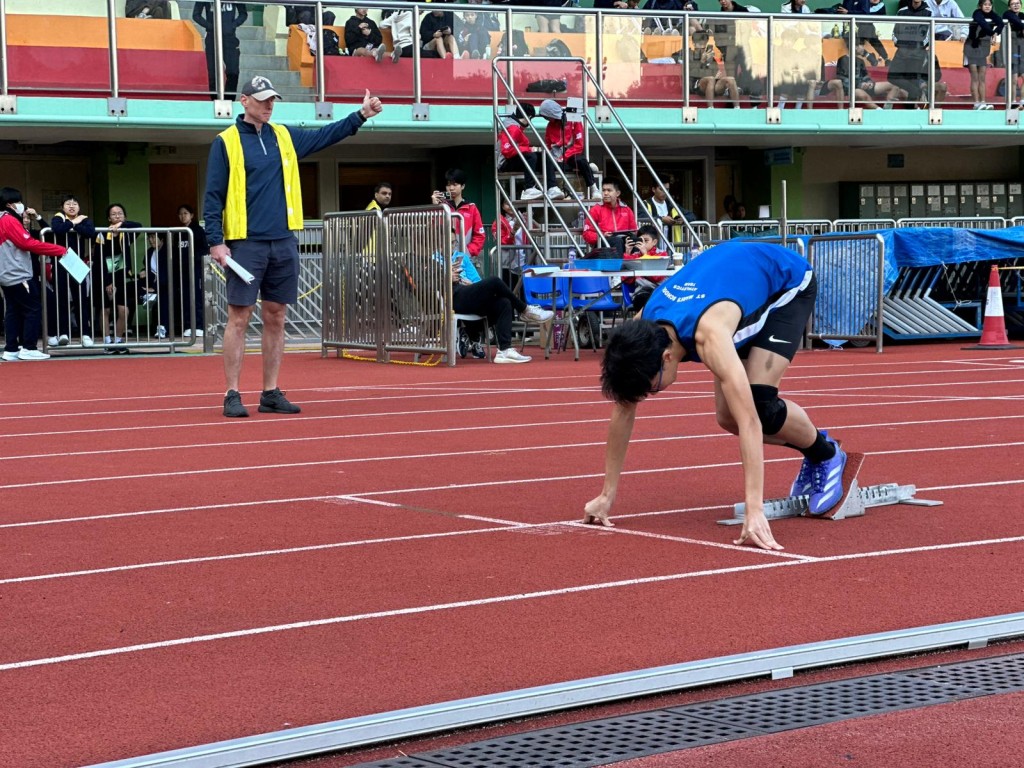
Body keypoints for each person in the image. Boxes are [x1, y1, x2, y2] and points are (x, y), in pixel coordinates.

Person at [582, 241, 849, 551]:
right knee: (726, 417)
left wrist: (755, 509)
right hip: (734, 286)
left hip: (786, 285)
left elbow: (749, 421)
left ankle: (826, 455)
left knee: (758, 405)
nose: (649, 395)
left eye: (651, 388)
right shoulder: (643, 327)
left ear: (667, 358)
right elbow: (624, 410)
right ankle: (818, 448)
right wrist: (606, 495)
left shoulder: (709, 335)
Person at [202, 75, 383, 418]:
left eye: (273, 99)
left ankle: (270, 391)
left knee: (277, 316)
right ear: (244, 101)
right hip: (246, 243)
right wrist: (216, 241)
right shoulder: (225, 142)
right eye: (263, 99)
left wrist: (359, 116)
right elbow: (212, 195)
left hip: (284, 240)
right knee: (239, 318)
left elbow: (323, 136)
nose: (270, 104)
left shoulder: (283, 136)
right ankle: (232, 393)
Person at [0, 187, 69, 361]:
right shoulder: (8, 220)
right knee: (33, 308)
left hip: (6, 273)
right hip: (17, 273)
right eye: (18, 202)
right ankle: (29, 347)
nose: (21, 205)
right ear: (10, 204)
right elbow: (28, 243)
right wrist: (59, 250)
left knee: (13, 310)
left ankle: (11, 348)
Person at [93, 203, 145, 354]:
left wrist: (123, 225)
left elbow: (139, 225)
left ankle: (118, 340)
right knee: (105, 309)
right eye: (114, 214)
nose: (117, 216)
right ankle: (107, 342)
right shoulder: (102, 234)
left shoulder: (127, 232)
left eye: (120, 213)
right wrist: (107, 280)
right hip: (104, 276)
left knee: (124, 310)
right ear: (109, 218)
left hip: (122, 276)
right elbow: (99, 258)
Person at [49, 195, 97, 347]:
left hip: (77, 262)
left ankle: (85, 335)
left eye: (74, 203)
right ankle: (63, 333)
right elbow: (58, 229)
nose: (71, 206)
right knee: (62, 299)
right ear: (62, 207)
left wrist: (74, 224)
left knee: (81, 299)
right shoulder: (58, 218)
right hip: (61, 261)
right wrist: (73, 222)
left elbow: (91, 233)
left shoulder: (84, 219)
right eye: (68, 204)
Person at [497, 104, 565, 201]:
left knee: (544, 156)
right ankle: (529, 188)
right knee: (531, 156)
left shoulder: (515, 127)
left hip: (515, 159)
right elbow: (506, 150)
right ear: (528, 117)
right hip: (505, 163)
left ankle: (552, 187)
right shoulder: (512, 128)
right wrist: (529, 149)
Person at [537, 99, 601, 200]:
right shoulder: (550, 126)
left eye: (547, 116)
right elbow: (548, 144)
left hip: (571, 155)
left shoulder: (574, 121)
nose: (547, 119)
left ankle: (594, 188)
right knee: (544, 162)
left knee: (580, 160)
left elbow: (579, 145)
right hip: (556, 158)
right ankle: (552, 189)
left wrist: (564, 156)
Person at [193, 2, 247, 100]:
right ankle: (214, 101)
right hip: (211, 38)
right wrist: (210, 26)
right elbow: (196, 15)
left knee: (233, 72)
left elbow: (243, 14)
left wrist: (232, 25)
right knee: (213, 74)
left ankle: (229, 101)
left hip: (230, 38)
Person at [176, 204, 208, 339]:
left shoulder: (198, 231)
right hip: (183, 270)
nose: (183, 216)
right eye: (181, 214)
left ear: (192, 215)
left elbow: (204, 249)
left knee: (197, 297)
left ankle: (199, 326)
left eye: (186, 213)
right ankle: (188, 325)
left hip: (196, 269)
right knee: (185, 297)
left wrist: (194, 258)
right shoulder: (179, 232)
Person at [964, 0, 1003, 110]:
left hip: (983, 48)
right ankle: (976, 103)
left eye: (989, 5)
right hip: (972, 46)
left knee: (982, 77)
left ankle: (983, 102)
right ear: (980, 6)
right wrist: (992, 33)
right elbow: (982, 23)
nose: (987, 7)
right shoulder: (977, 13)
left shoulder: (993, 15)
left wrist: (996, 33)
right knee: (975, 77)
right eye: (985, 4)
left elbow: (1000, 23)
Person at [621, 223, 669, 310]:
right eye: (640, 240)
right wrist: (627, 252)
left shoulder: (662, 255)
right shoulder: (634, 256)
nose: (642, 244)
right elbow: (626, 280)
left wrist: (645, 255)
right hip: (641, 293)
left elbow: (657, 278)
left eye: (646, 241)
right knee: (642, 300)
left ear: (654, 242)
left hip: (659, 292)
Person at [583, 180, 638, 254]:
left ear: (617, 193)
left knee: (635, 240)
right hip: (601, 243)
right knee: (617, 241)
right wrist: (602, 235)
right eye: (603, 190)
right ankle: (618, 265)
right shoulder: (595, 210)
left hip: (622, 241)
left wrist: (631, 235)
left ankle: (635, 264)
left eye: (609, 190)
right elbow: (587, 234)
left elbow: (634, 230)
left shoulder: (626, 209)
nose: (605, 193)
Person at [643, 182, 686, 250]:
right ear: (654, 189)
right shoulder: (645, 203)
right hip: (651, 247)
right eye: (661, 189)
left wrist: (683, 219)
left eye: (667, 189)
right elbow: (641, 217)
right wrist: (661, 219)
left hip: (671, 246)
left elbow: (691, 215)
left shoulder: (672, 204)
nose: (665, 192)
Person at [1004, 0, 1024, 107]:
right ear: (1009, 7)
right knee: (1014, 79)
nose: (1016, 5)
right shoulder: (1007, 15)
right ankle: (1012, 102)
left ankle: (1022, 100)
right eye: (1013, 4)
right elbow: (1014, 21)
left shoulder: (1022, 15)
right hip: (1013, 51)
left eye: (1018, 3)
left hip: (1023, 50)